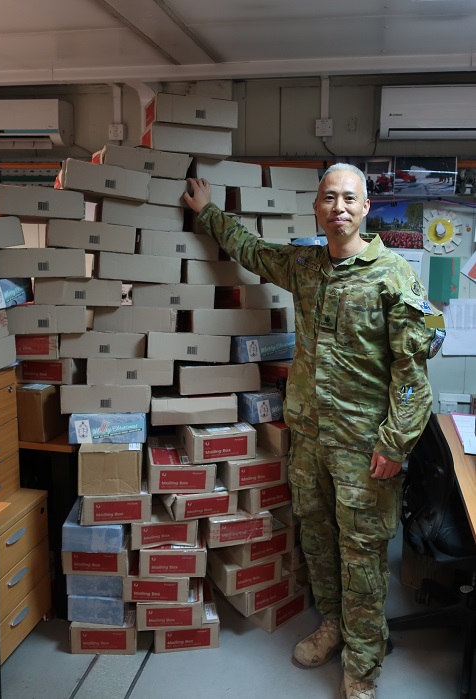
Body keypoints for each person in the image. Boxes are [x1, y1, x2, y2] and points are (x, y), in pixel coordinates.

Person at [184, 163, 444, 699]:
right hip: (309, 440)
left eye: (350, 198)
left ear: (366, 207)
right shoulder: (304, 263)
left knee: (364, 558)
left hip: (365, 451)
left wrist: (395, 445)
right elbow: (251, 250)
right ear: (317, 207)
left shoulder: (393, 276)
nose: (339, 207)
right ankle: (332, 627)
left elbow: (412, 376)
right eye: (330, 197)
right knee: (321, 546)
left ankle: (363, 666)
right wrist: (207, 211)